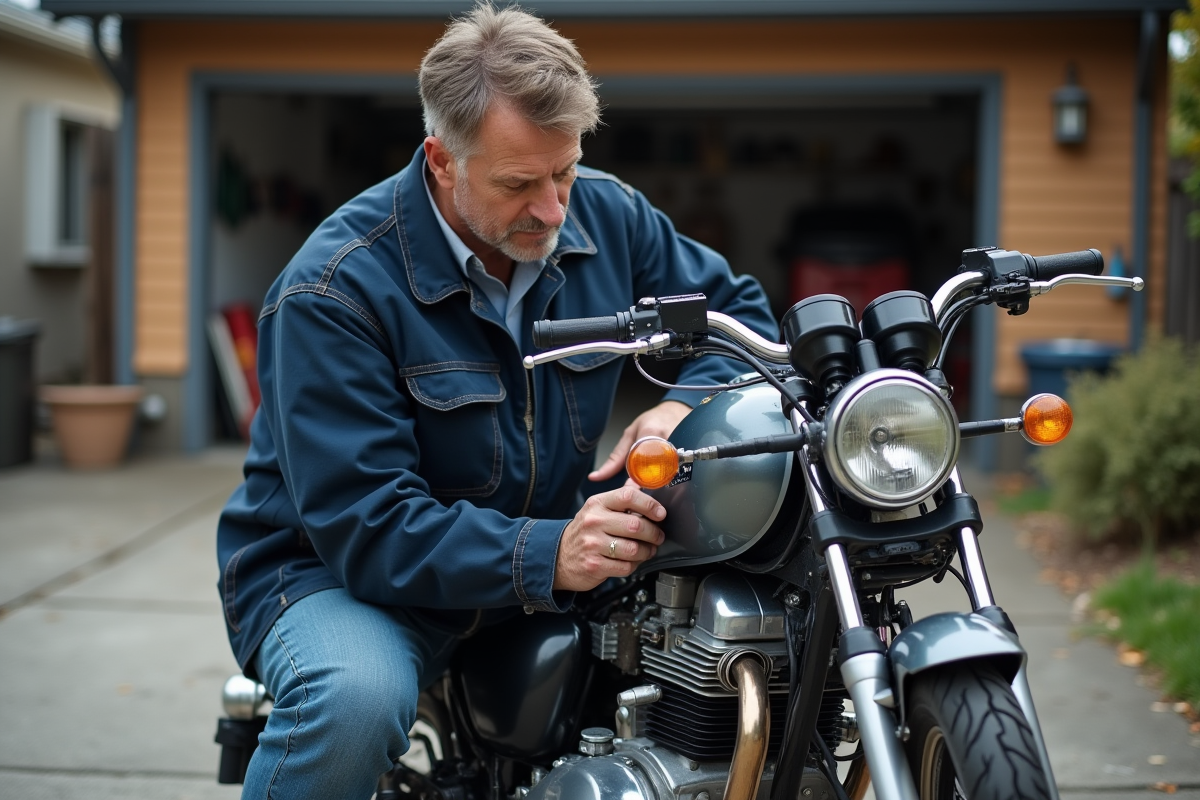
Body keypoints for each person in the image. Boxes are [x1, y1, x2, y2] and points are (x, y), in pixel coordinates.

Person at [216, 4, 776, 798]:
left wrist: (689, 397)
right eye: (520, 183)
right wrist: (552, 553)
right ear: (441, 161)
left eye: (565, 172)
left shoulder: (608, 215)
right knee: (353, 703)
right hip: (341, 578)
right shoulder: (334, 289)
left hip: (545, 555)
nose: (552, 209)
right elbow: (367, 526)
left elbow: (741, 317)